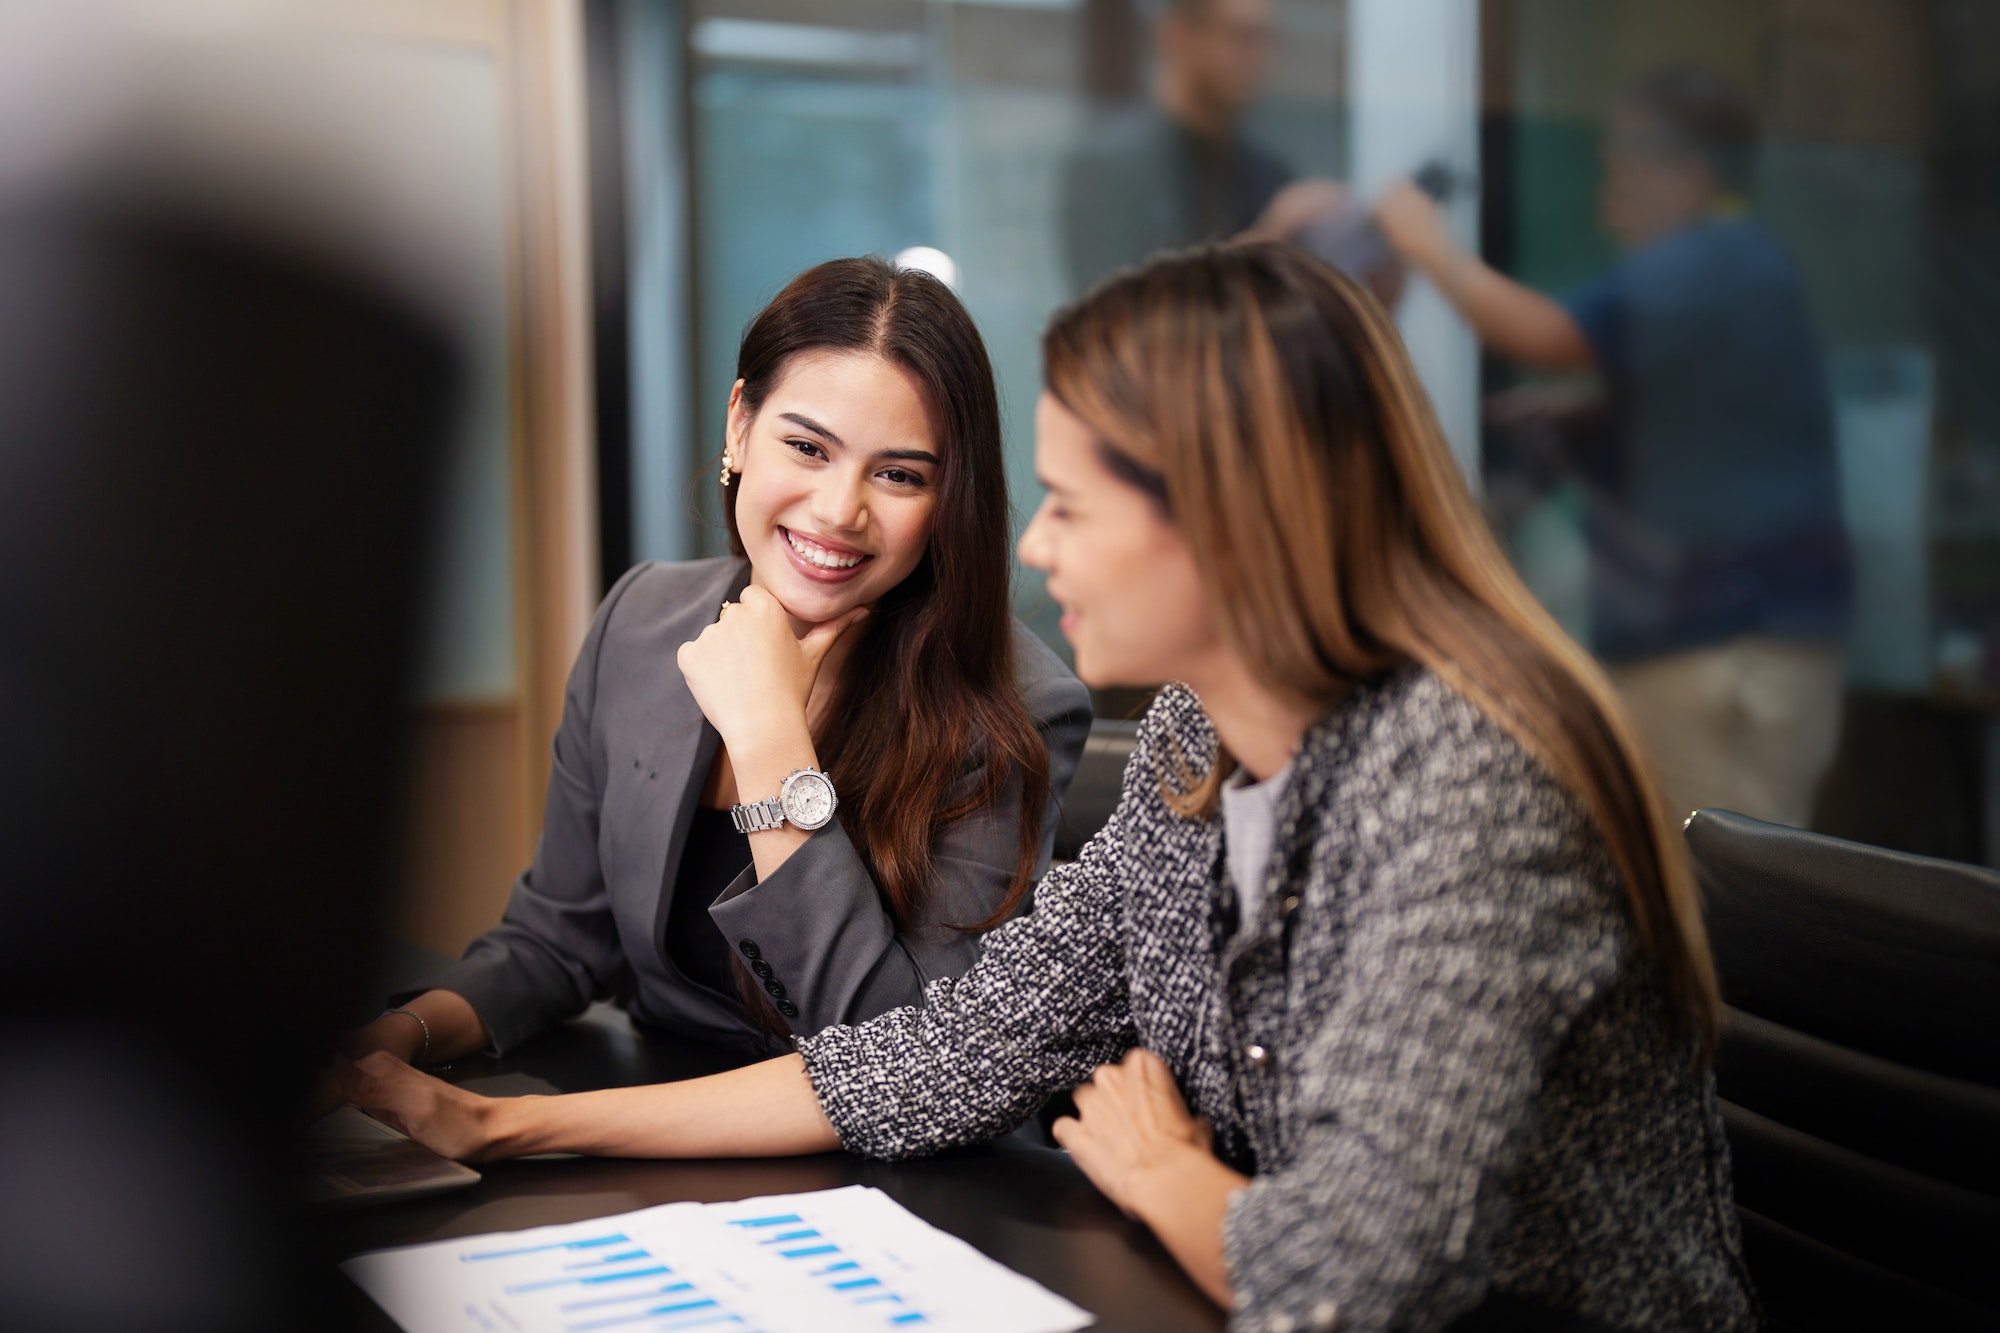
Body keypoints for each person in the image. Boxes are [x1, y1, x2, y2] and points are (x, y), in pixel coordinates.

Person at [345, 244, 1758, 1332]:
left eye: (1072, 505)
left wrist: (1163, 1175)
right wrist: (502, 1122)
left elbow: (1348, 1283)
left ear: (1226, 521)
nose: (1031, 553)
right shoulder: (1195, 744)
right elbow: (940, 1055)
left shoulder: (1462, 790)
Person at [343, 256, 1091, 1072]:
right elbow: (556, 941)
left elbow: (896, 1059)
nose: (841, 510)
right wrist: (391, 1047)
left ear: (950, 500)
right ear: (739, 424)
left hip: (883, 1168)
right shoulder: (642, 619)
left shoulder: (1019, 701)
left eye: (900, 474)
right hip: (654, 1112)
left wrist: (770, 736)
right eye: (807, 446)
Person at [1376, 63, 1850, 829]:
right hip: (1741, 634)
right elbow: (1714, 419)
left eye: (1623, 162)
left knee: (1719, 890)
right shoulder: (1743, 267)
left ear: (1689, 173)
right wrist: (1594, 418)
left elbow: (1549, 336)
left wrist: (1423, 241)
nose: (1609, 194)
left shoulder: (1713, 257)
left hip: (1724, 643)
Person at [1060, 0, 1292, 293]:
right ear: (1177, 35)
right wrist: (1260, 246)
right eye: (1240, 36)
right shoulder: (1109, 169)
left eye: (1266, 39)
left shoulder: (1269, 173)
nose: (1259, 58)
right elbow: (1111, 319)